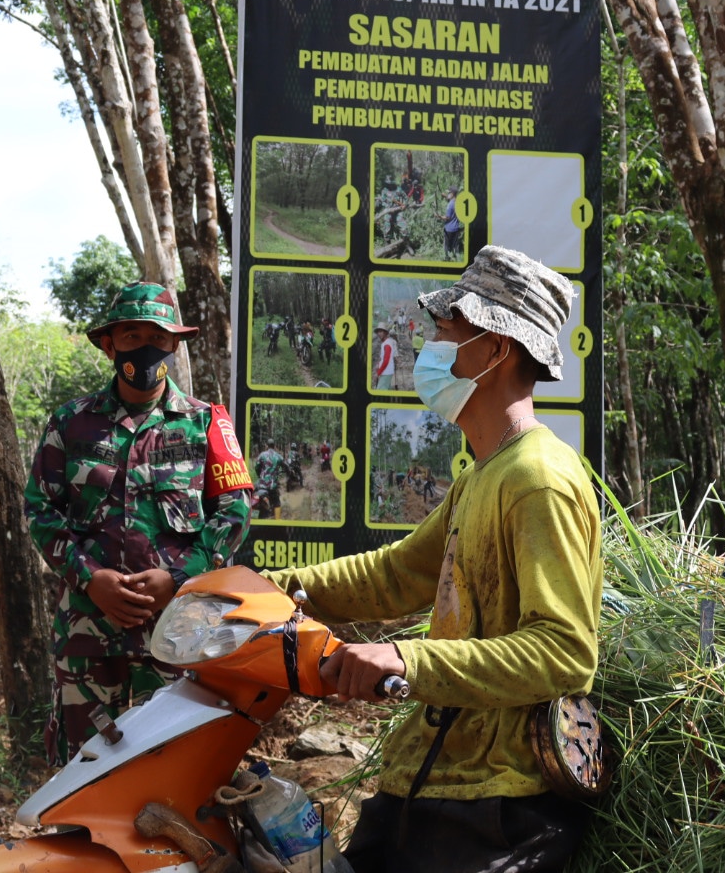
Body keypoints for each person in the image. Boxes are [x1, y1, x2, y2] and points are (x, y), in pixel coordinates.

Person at [262, 246, 600, 873]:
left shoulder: (538, 479)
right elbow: (395, 575)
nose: (431, 346)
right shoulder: (482, 474)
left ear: (496, 348)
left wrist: (406, 659)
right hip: (437, 776)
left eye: (447, 330)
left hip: (499, 809)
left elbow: (565, 652)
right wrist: (263, 589)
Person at [24, 282, 254, 765]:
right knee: (82, 770)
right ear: (110, 346)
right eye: (132, 336)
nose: (145, 348)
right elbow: (40, 511)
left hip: (178, 631)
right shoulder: (70, 423)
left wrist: (179, 578)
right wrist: (91, 579)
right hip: (88, 632)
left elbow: (235, 510)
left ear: (174, 345)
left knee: (174, 767)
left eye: (157, 337)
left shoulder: (207, 423)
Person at [254, 439, 285, 516]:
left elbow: (257, 467)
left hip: (262, 485)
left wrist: (260, 476)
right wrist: (287, 472)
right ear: (274, 446)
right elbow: (286, 466)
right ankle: (277, 520)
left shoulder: (262, 455)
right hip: (272, 486)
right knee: (277, 503)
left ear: (267, 446)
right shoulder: (278, 456)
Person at [440, 187, 464, 259]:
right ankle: (457, 257)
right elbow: (450, 199)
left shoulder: (450, 205)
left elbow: (447, 217)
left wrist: (439, 216)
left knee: (447, 245)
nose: (448, 194)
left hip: (449, 229)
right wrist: (445, 196)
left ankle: (447, 257)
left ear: (453, 194)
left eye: (449, 193)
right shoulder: (458, 202)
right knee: (455, 245)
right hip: (456, 228)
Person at [372, 325, 398, 390]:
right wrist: (378, 365)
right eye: (378, 332)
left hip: (386, 372)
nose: (379, 334)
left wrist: (378, 373)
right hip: (386, 371)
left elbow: (386, 361)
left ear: (385, 333)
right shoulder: (386, 343)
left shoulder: (387, 344)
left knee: (380, 391)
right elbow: (383, 358)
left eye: (381, 332)